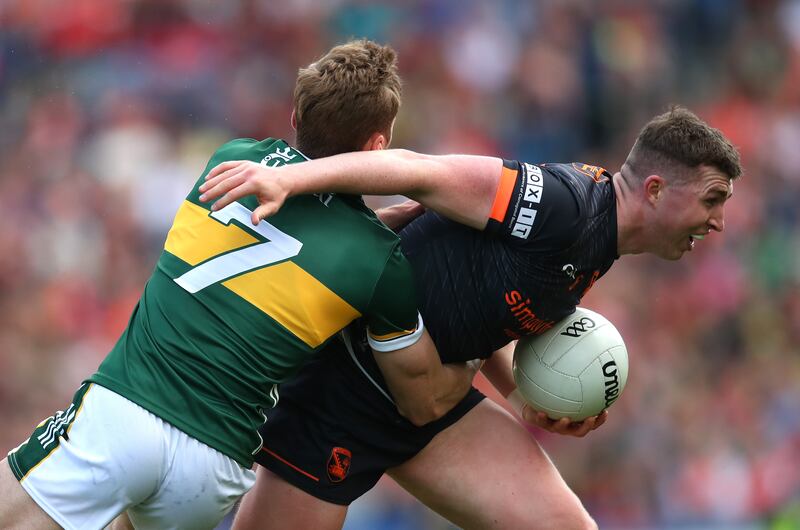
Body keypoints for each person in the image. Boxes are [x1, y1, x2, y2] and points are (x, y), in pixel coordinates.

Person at [0, 40, 477, 530]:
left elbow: (291, 230)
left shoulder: (230, 162)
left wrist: (368, 227)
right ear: (378, 146)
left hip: (127, 412)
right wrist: (480, 348)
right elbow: (423, 402)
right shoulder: (379, 262)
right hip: (214, 467)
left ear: (295, 117)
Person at [198, 106, 742, 529]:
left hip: (436, 408)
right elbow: (417, 171)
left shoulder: (601, 240)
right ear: (654, 190)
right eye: (712, 199)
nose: (717, 222)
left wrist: (527, 398)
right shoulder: (563, 204)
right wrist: (294, 180)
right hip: (341, 397)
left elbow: (488, 314)